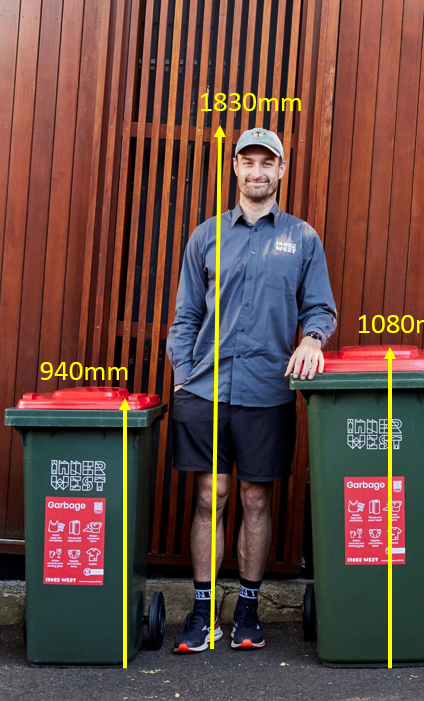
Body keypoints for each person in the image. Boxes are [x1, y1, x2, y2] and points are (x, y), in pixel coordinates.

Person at [165, 127, 337, 653]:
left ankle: (247, 609)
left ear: (282, 171)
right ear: (235, 169)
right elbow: (186, 315)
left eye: (269, 163)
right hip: (206, 390)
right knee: (208, 497)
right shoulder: (206, 235)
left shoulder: (303, 239)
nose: (258, 172)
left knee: (255, 499)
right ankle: (201, 612)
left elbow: (320, 308)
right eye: (249, 162)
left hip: (267, 390)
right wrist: (183, 371)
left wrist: (312, 340)